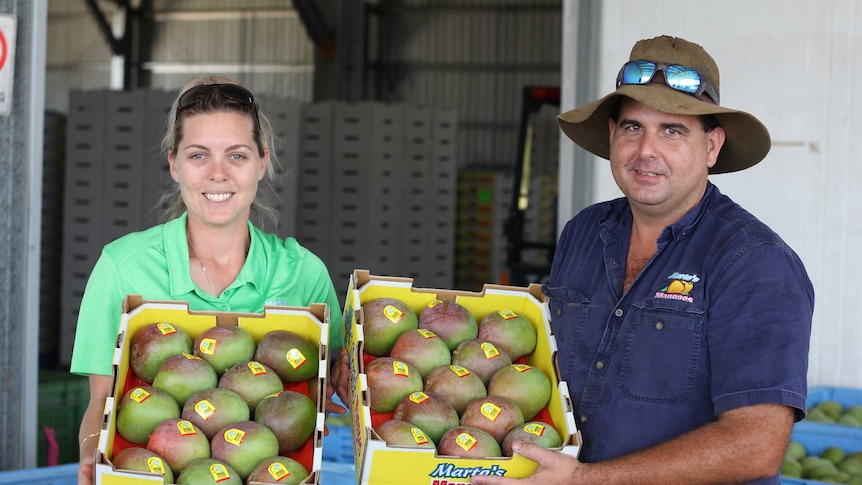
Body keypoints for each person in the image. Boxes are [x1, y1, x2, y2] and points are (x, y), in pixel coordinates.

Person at [472, 35, 814, 484]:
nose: (646, 150)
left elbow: (756, 445)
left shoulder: (754, 262)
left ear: (712, 146)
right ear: (613, 135)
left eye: (673, 131)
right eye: (634, 127)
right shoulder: (584, 232)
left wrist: (584, 480)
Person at [70, 76, 346, 485]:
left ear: (262, 162)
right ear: (174, 164)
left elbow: (338, 386)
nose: (218, 174)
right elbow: (102, 399)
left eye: (237, 156)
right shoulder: (122, 267)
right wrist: (94, 457)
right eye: (199, 155)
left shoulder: (303, 273)